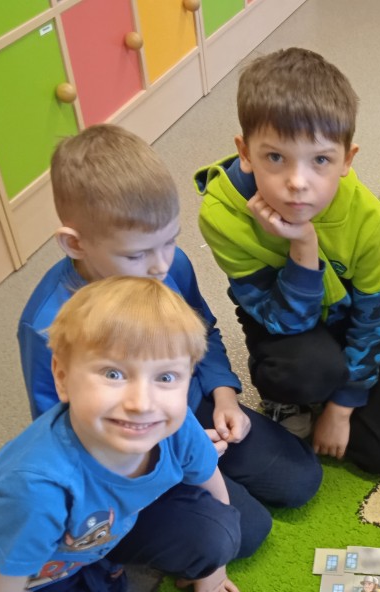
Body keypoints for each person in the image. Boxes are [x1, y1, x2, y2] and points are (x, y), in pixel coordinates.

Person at [0, 278, 273, 592]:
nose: (142, 403)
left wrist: (213, 567)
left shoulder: (173, 423)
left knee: (229, 531)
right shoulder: (35, 490)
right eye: (113, 374)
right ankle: (93, 587)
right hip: (38, 578)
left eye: (166, 377)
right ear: (62, 377)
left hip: (102, 530)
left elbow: (211, 486)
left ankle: (106, 569)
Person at [19, 124, 321, 514]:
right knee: (241, 529)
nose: (159, 266)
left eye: (170, 241)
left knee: (299, 479)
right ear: (75, 243)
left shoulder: (169, 263)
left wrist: (224, 396)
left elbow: (202, 331)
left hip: (189, 403)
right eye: (136, 255)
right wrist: (162, 451)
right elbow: (61, 430)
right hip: (132, 439)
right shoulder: (45, 325)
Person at [195, 47, 380, 475]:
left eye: (321, 160)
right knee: (307, 370)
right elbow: (284, 323)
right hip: (282, 327)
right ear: (245, 152)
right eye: (275, 157)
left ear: (347, 160)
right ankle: (284, 396)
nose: (297, 183)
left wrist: (342, 408)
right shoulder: (220, 215)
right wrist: (303, 247)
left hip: (347, 319)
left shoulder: (366, 214)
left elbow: (371, 313)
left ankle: (367, 363)